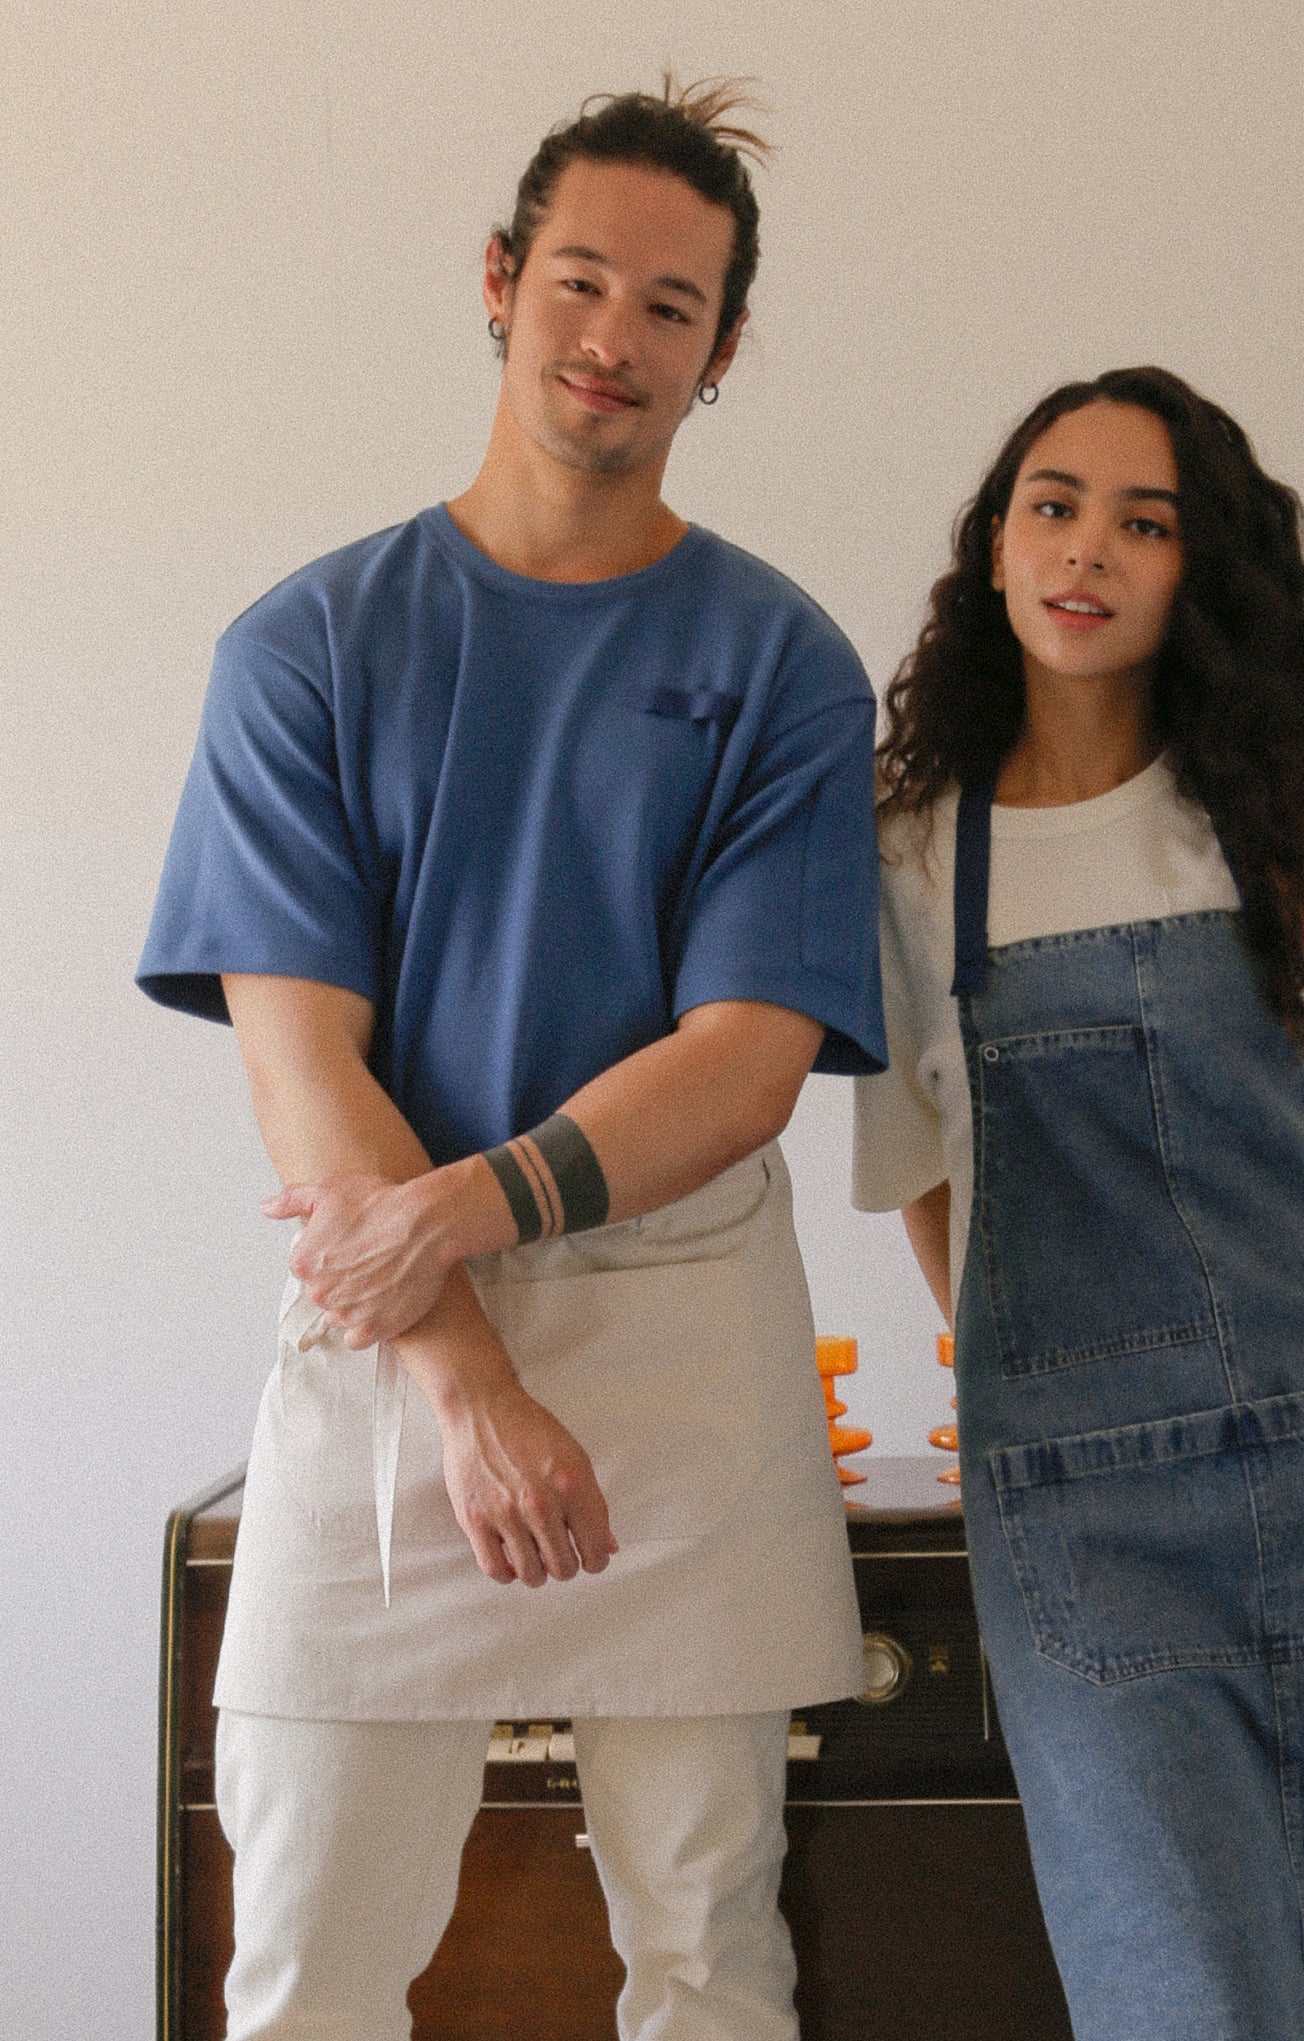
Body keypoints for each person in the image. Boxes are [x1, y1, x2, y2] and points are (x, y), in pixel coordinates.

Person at [139, 79, 886, 2041]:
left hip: (677, 1349)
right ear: (499, 280)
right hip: (394, 1341)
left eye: (670, 305)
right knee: (305, 1964)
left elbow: (743, 1062)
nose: (613, 336)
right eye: (580, 279)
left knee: (708, 1955)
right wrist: (465, 1376)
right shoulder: (306, 648)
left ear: (722, 349)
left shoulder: (783, 663)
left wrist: (463, 1209)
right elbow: (297, 1055)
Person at [853, 368, 1304, 2040]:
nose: (1087, 548)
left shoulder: (1281, 827)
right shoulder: (911, 863)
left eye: (1145, 522)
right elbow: (932, 1191)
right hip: (1081, 1525)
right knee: (1184, 1992)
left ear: (1199, 572)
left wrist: (1244, 1345)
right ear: (996, 545)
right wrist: (1081, 1387)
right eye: (1053, 505)